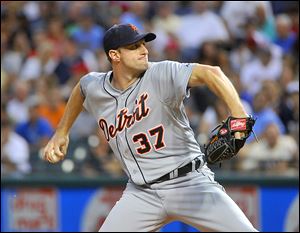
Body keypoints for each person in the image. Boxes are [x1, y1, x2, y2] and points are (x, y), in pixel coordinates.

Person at [43, 23, 258, 232]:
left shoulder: (160, 73)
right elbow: (81, 90)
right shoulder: (96, 86)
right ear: (114, 55)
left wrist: (238, 114)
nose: (144, 50)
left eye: (144, 44)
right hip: (141, 194)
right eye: (134, 47)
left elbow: (212, 73)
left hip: (189, 182)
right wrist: (62, 131)